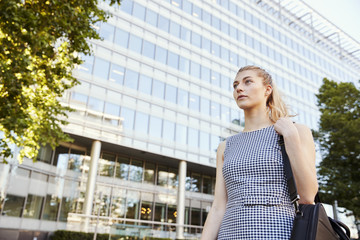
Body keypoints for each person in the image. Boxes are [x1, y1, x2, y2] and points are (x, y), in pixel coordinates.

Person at [201, 66, 318, 239]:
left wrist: (291, 138)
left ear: (267, 90)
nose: (239, 88)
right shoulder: (226, 146)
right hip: (230, 233)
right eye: (235, 85)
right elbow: (219, 206)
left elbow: (308, 196)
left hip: (279, 232)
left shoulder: (295, 131)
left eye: (248, 82)